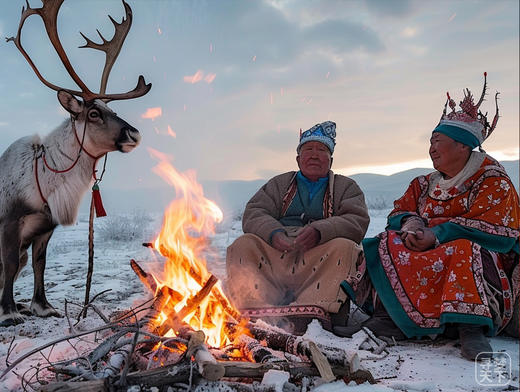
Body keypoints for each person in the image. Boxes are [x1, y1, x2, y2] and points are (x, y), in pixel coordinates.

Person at [338, 73, 519, 361]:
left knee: (463, 249)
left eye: (438, 141)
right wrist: (412, 224)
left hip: (481, 259)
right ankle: (390, 319)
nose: (431, 148)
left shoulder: (492, 179)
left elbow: (498, 230)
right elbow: (398, 213)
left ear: (463, 146)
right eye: (430, 142)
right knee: (385, 241)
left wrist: (438, 234)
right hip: (429, 249)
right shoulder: (424, 183)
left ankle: (470, 327)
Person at [225, 121, 369, 333]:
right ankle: (256, 309)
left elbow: (356, 220)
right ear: (298, 158)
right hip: (277, 254)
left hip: (319, 257)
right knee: (243, 244)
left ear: (331, 160)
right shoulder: (279, 184)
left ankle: (311, 314)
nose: (314, 155)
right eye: (308, 149)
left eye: (321, 150)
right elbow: (254, 212)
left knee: (345, 248)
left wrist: (320, 231)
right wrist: (274, 234)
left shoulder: (346, 187)